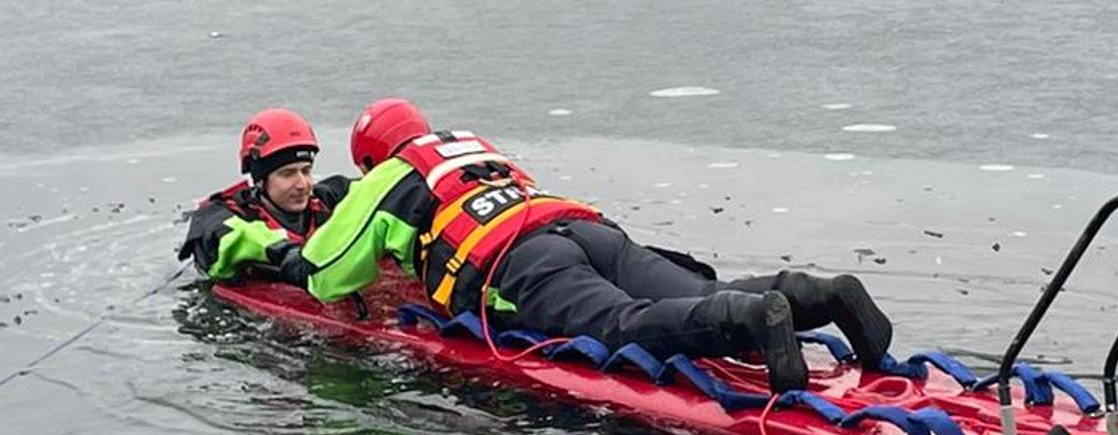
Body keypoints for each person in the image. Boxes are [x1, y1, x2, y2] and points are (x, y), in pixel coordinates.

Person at [207, 98, 892, 393]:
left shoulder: (386, 178)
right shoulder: (468, 146)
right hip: (583, 228)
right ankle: (816, 295)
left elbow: (326, 276)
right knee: (699, 290)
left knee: (618, 326)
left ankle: (751, 320)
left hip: (520, 262)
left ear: (367, 159)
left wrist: (272, 256)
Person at [178, 108, 352, 277]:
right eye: (288, 174)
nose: (302, 184)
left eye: (306, 171)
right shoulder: (225, 218)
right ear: (261, 179)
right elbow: (239, 237)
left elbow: (371, 188)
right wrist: (286, 254)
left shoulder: (323, 201)